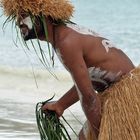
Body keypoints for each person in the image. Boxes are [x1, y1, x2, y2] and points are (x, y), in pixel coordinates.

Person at [1, 0, 136, 139]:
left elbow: (89, 96)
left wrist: (100, 135)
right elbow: (86, 81)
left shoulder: (65, 42)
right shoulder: (66, 34)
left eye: (23, 15)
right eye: (16, 17)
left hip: (128, 94)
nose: (18, 22)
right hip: (118, 90)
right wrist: (61, 104)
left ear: (44, 15)